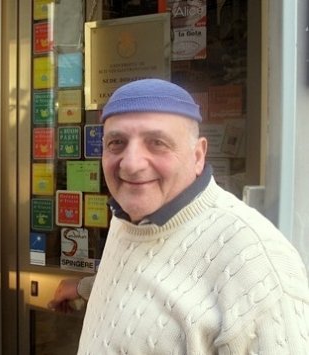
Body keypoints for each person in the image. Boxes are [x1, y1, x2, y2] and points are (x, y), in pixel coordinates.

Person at [48, 78, 309, 354]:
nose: (131, 164)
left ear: (198, 156)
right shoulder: (126, 217)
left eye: (157, 143)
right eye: (117, 142)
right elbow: (145, 277)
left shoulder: (259, 266)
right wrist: (84, 287)